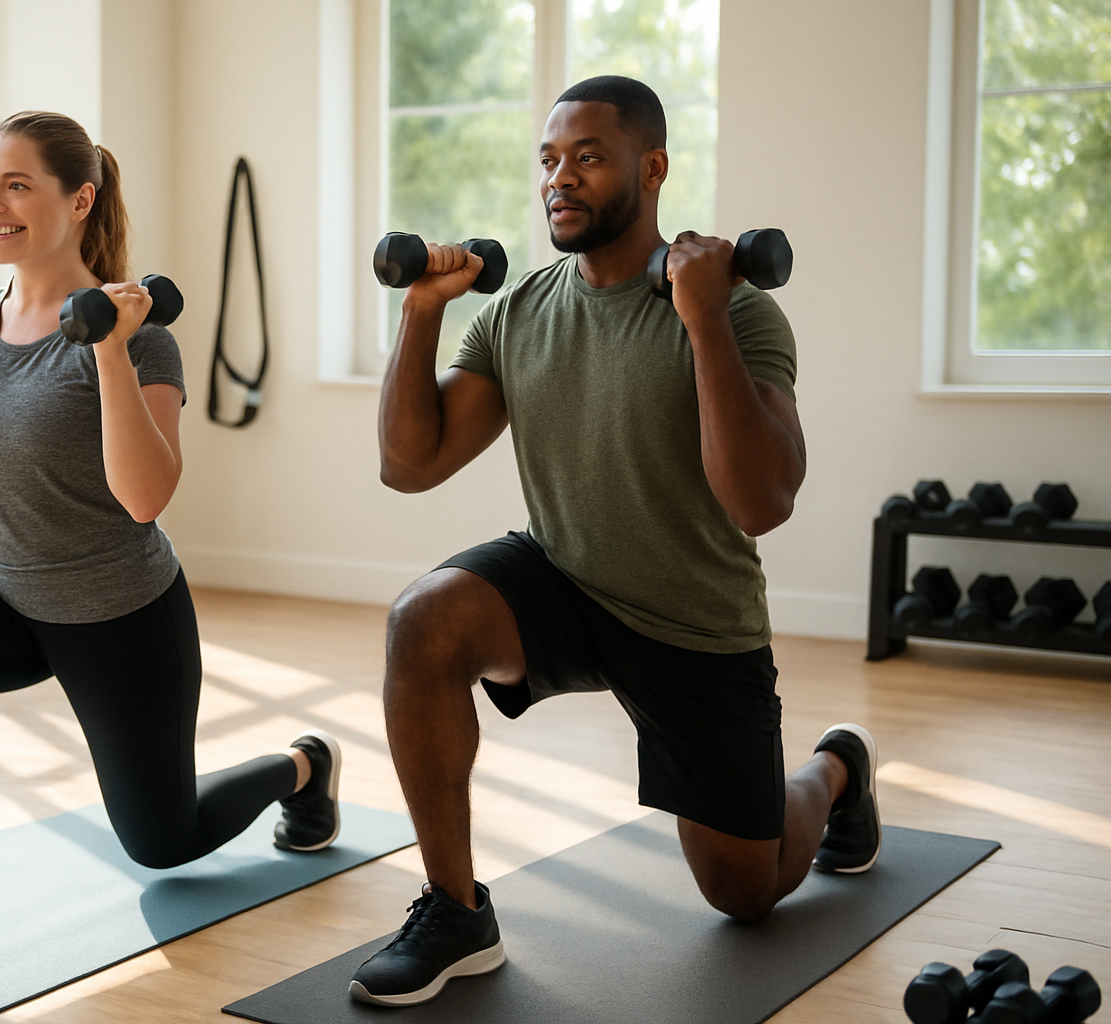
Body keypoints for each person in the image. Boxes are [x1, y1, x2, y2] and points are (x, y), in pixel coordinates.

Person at [350, 76, 879, 1007]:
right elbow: (409, 465)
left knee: (744, 893)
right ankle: (455, 907)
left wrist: (704, 314)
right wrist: (424, 310)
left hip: (694, 623)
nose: (561, 178)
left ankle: (837, 771)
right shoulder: (520, 313)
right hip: (566, 576)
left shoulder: (741, 310)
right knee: (423, 621)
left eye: (588, 158)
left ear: (653, 167)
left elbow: (761, 502)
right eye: (550, 160)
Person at [0, 111, 343, 972]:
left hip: (117, 612)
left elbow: (145, 498)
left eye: (17, 184)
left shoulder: (140, 334)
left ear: (79, 199)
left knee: (163, 842)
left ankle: (303, 767)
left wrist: (111, 353)